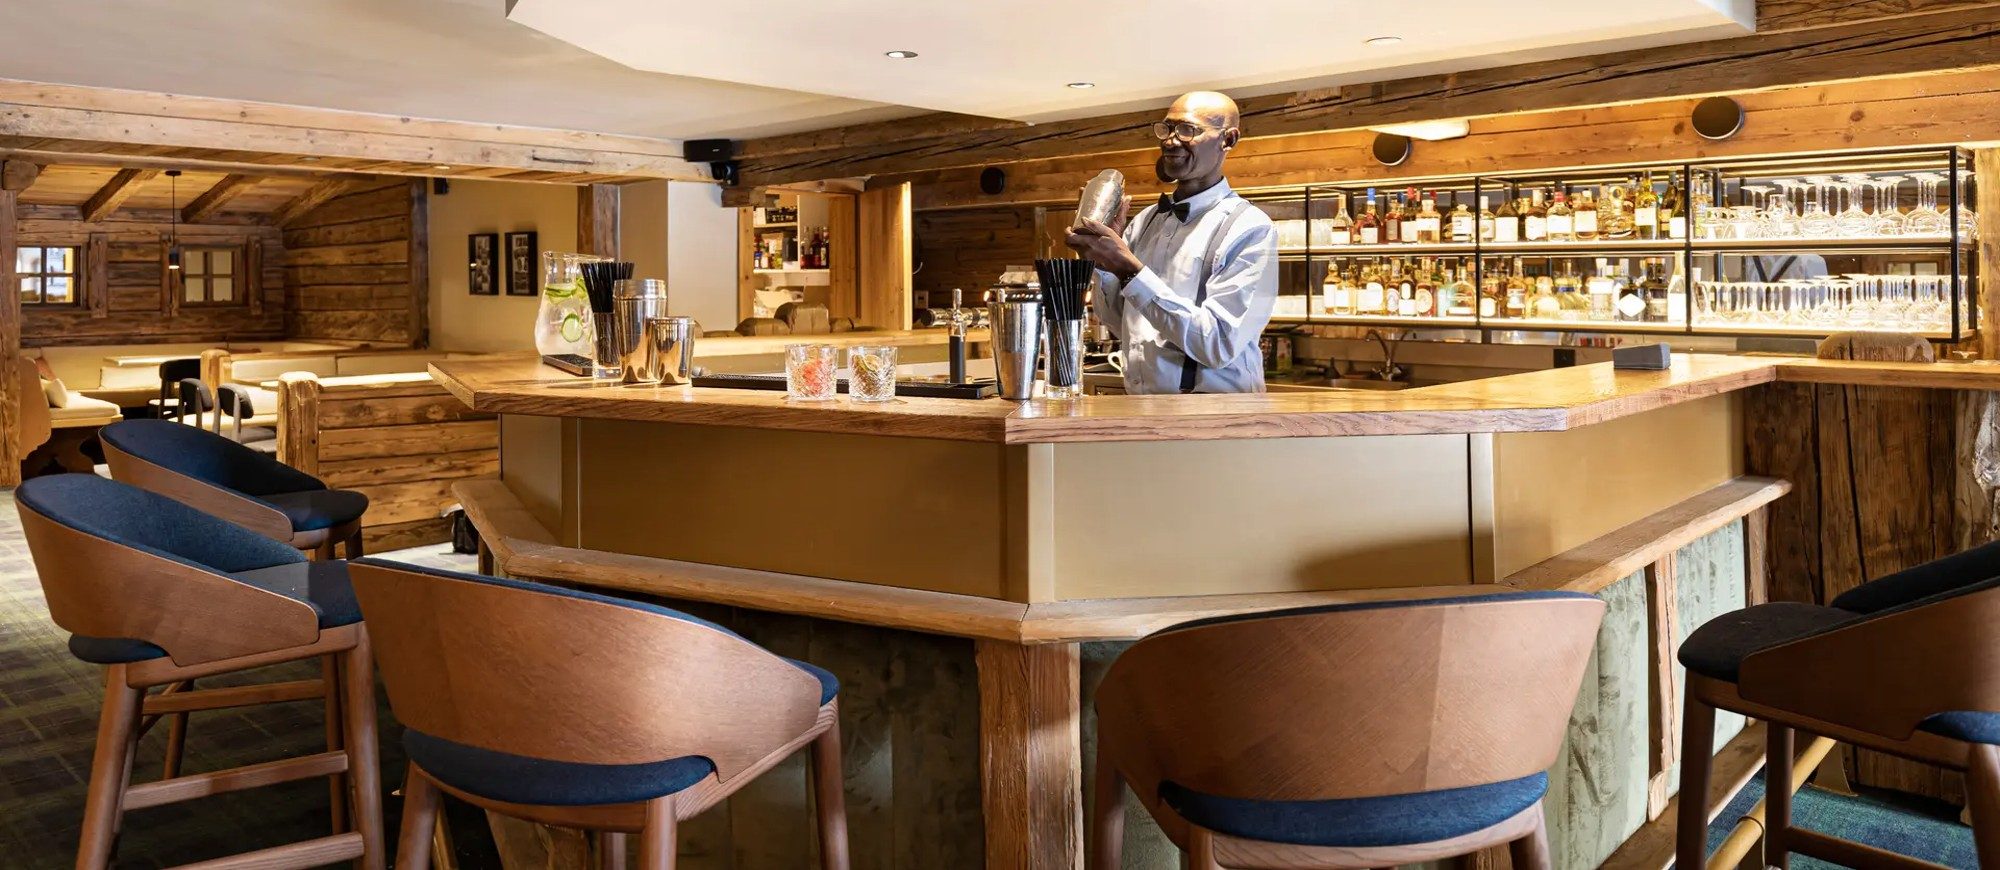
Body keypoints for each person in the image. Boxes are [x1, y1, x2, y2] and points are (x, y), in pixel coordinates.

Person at [1066, 91, 1277, 394]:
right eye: (1167, 128)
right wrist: (1103, 266)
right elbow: (1122, 326)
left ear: (1228, 139)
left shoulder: (1250, 228)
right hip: (1142, 408)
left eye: (1188, 130)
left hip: (1216, 414)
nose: (1170, 140)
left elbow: (1218, 344)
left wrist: (1130, 271)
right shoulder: (1145, 221)